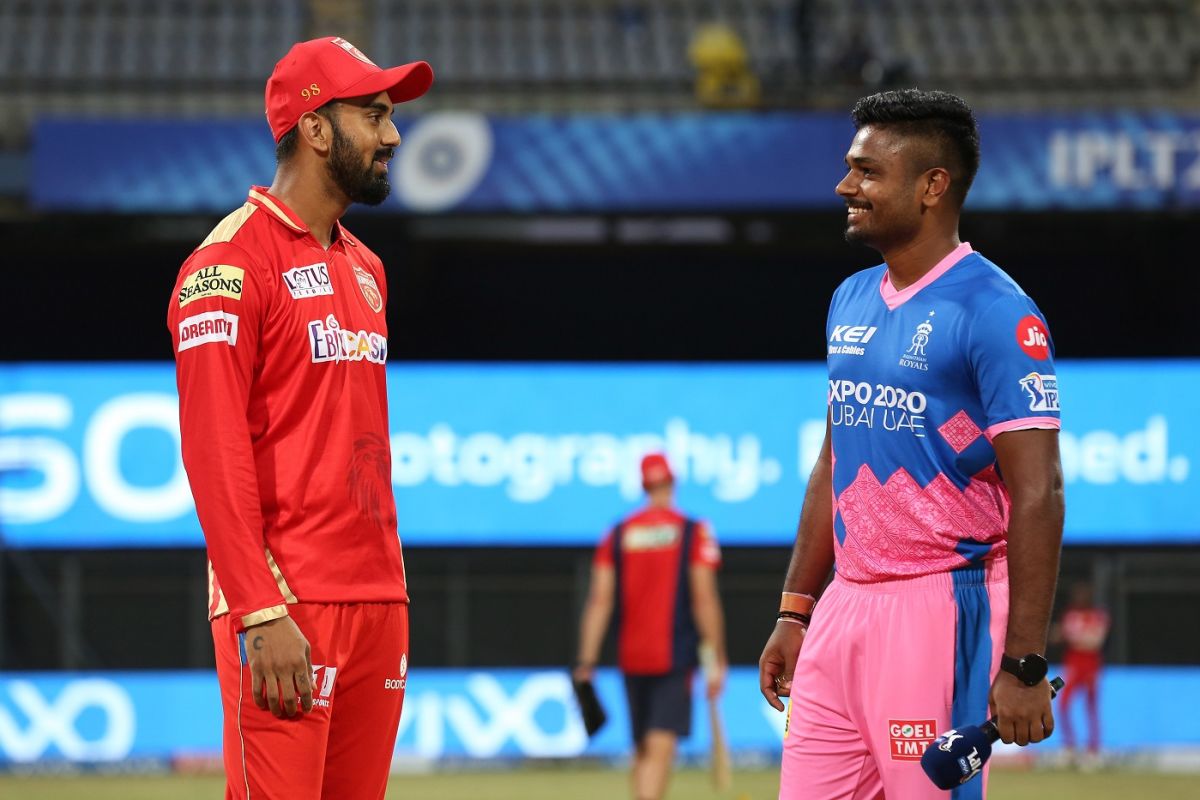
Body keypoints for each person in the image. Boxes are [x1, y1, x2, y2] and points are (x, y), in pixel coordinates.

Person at [757, 89, 1065, 799]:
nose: (845, 186)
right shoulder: (851, 298)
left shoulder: (997, 313)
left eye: (867, 171)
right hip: (845, 606)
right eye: (848, 168)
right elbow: (835, 461)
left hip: (941, 608)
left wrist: (1022, 663)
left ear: (932, 186)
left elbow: (1039, 491)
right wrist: (796, 610)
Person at [167, 37, 432, 800]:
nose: (393, 135)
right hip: (286, 606)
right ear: (316, 129)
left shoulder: (367, 268)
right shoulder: (225, 266)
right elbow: (213, 452)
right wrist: (257, 610)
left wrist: (387, 596)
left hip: (380, 603)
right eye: (374, 114)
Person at [574, 453, 727, 800]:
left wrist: (586, 661)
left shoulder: (617, 533)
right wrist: (716, 656)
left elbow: (599, 601)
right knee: (660, 749)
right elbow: (704, 599)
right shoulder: (693, 531)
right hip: (673, 656)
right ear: (672, 482)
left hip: (631, 657)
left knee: (642, 749)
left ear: (643, 485)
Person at [1052, 581, 1110, 764]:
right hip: (1073, 663)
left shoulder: (1098, 615)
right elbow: (1062, 635)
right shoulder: (1071, 614)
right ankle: (1069, 747)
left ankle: (1093, 749)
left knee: (1091, 707)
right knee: (1063, 703)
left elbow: (1094, 640)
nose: (1080, 599)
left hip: (1091, 664)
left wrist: (1071, 636)